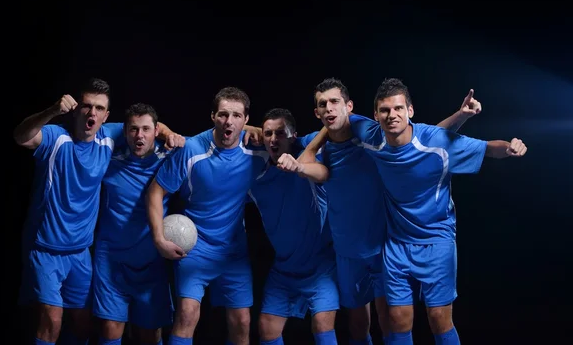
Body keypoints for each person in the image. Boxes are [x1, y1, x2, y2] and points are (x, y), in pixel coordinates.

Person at [294, 78, 480, 345]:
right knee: (358, 325)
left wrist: (460, 116)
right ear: (317, 112)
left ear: (349, 106)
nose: (329, 108)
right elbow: (289, 143)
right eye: (323, 104)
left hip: (383, 244)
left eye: (335, 102)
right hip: (348, 248)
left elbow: (419, 141)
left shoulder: (371, 134)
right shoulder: (318, 142)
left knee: (392, 321)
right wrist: (322, 132)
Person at [346, 78, 525, 345]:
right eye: (384, 110)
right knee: (397, 319)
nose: (391, 115)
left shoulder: (437, 142)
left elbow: (487, 148)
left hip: (436, 240)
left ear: (410, 111)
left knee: (439, 318)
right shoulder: (370, 136)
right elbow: (338, 120)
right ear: (375, 115)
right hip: (396, 242)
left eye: (398, 108)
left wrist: (510, 148)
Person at [145, 86, 270, 345]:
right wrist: (158, 239)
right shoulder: (191, 150)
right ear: (212, 116)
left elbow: (287, 139)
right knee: (187, 315)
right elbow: (155, 193)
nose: (229, 121)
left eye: (237, 116)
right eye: (223, 114)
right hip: (195, 248)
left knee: (243, 322)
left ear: (246, 120)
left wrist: (258, 131)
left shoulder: (256, 153)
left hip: (233, 251)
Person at [14, 78, 119, 345]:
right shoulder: (55, 136)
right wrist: (51, 111)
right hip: (46, 249)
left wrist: (166, 132)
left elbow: (148, 125)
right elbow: (21, 137)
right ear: (76, 108)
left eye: (98, 108)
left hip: (81, 252)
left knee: (83, 324)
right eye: (86, 106)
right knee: (52, 320)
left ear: (106, 115)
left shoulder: (108, 139)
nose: (92, 113)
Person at [93, 103, 185, 345]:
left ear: (156, 130)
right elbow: (85, 127)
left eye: (146, 129)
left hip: (151, 259)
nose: (139, 136)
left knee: (149, 334)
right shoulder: (109, 151)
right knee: (110, 328)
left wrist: (168, 133)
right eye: (134, 129)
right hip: (112, 257)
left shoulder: (171, 153)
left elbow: (216, 136)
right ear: (124, 131)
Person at [247, 108, 339, 345]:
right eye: (268, 134)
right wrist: (255, 130)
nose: (273, 139)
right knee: (266, 328)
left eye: (280, 133)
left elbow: (324, 173)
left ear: (293, 136)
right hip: (284, 269)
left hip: (320, 267)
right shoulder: (257, 175)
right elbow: (231, 127)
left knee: (322, 325)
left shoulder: (306, 156)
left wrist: (299, 167)